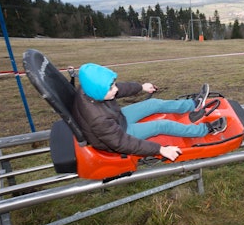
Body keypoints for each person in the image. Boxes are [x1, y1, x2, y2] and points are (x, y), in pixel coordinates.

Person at [72, 63, 227, 162]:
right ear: (99, 92)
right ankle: (205, 130)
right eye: (111, 88)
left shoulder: (90, 89)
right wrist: (160, 149)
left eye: (113, 85)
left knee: (153, 103)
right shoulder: (98, 119)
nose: (116, 89)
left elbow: (119, 88)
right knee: (162, 125)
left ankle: (193, 104)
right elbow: (122, 143)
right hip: (120, 132)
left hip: (117, 118)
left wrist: (141, 87)